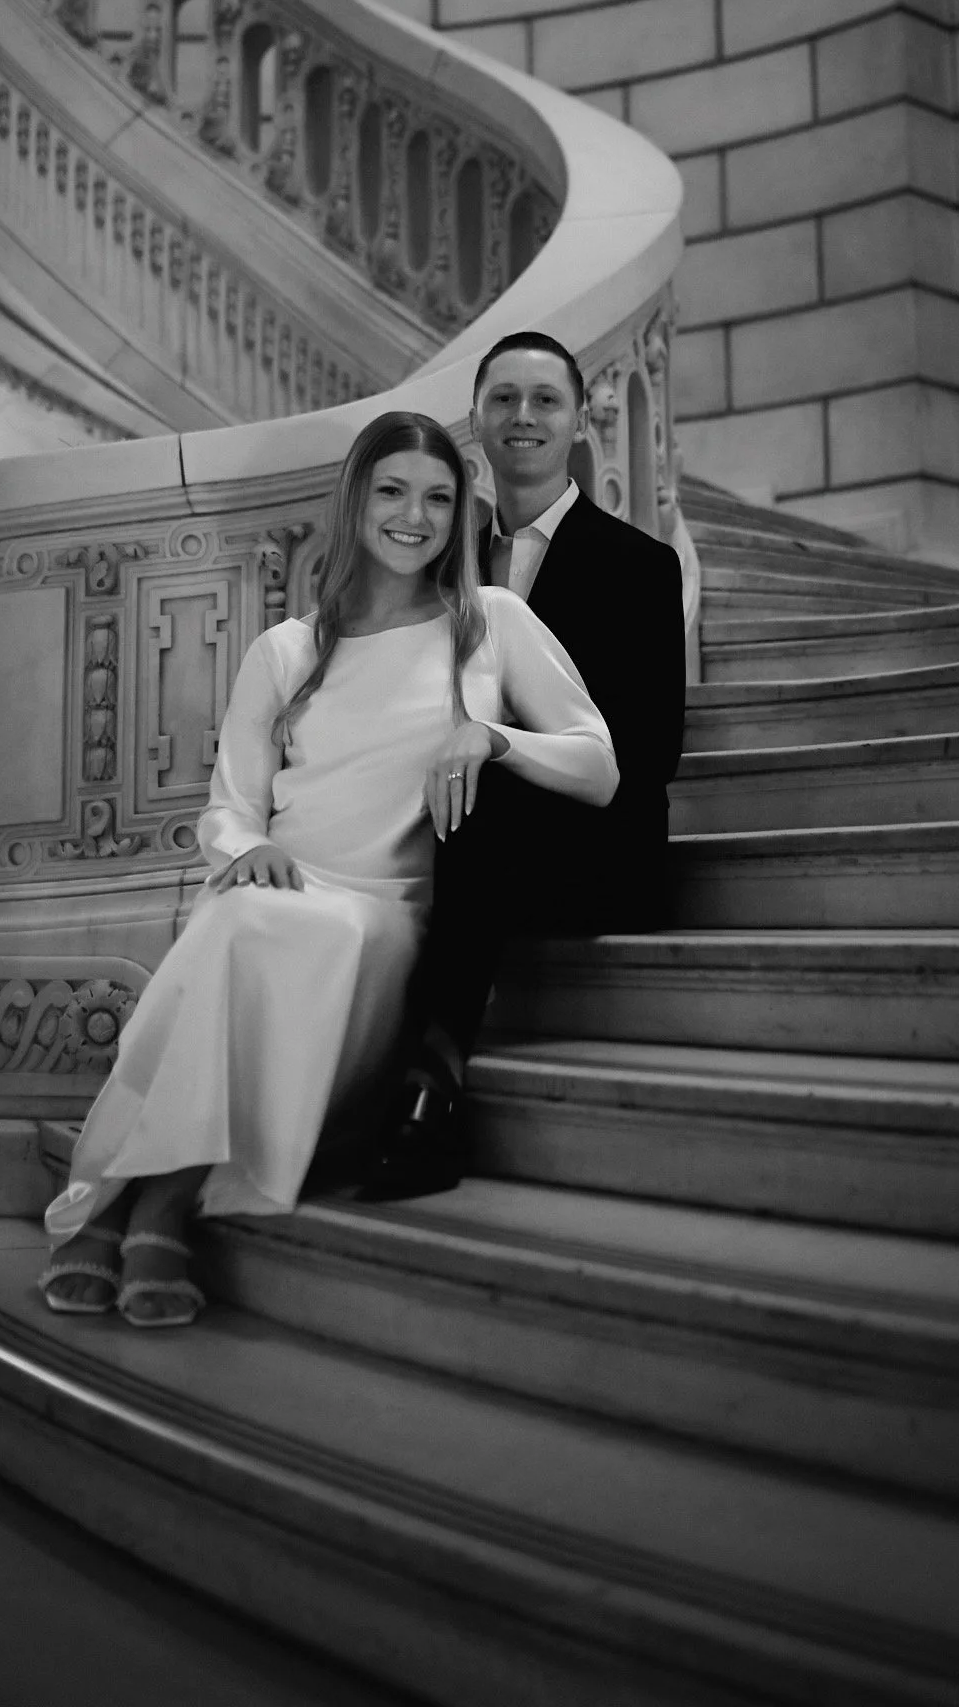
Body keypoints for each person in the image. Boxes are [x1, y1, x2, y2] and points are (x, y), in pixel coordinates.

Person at [38, 408, 618, 1326]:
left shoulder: (492, 624)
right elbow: (230, 803)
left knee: (273, 930)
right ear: (354, 503)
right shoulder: (288, 649)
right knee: (240, 915)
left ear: (458, 512)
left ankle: (140, 1202)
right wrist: (249, 847)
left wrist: (492, 735)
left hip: (389, 913)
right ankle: (154, 1206)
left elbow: (599, 763)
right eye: (391, 491)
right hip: (285, 883)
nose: (414, 517)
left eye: (437, 498)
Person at [362, 332, 686, 1201]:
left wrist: (503, 751)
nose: (523, 417)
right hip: (452, 820)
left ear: (581, 419)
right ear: (476, 421)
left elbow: (653, 755)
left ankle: (431, 1086)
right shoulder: (432, 557)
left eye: (545, 399)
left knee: (483, 807)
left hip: (595, 848)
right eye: (503, 399)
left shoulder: (641, 567)